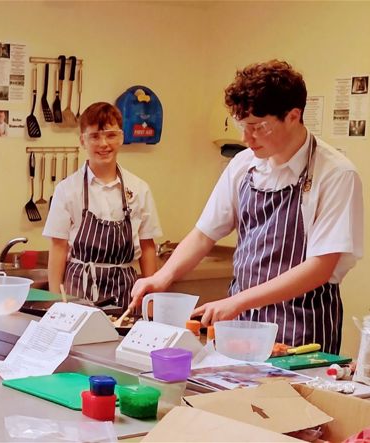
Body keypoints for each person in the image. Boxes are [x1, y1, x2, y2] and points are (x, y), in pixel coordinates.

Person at [131, 60, 363, 354]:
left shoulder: (335, 174)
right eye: (242, 125)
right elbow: (204, 235)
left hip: (301, 327)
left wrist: (238, 301)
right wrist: (162, 277)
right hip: (239, 324)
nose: (245, 138)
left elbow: (319, 268)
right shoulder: (244, 165)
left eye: (257, 127)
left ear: (293, 116)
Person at [43, 102, 162, 310]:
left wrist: (151, 304)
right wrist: (56, 304)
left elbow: (147, 247)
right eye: (95, 136)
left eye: (111, 135)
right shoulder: (67, 190)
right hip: (77, 293)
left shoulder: (139, 189)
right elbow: (58, 249)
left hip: (126, 295)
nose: (104, 143)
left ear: (122, 137)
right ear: (83, 140)